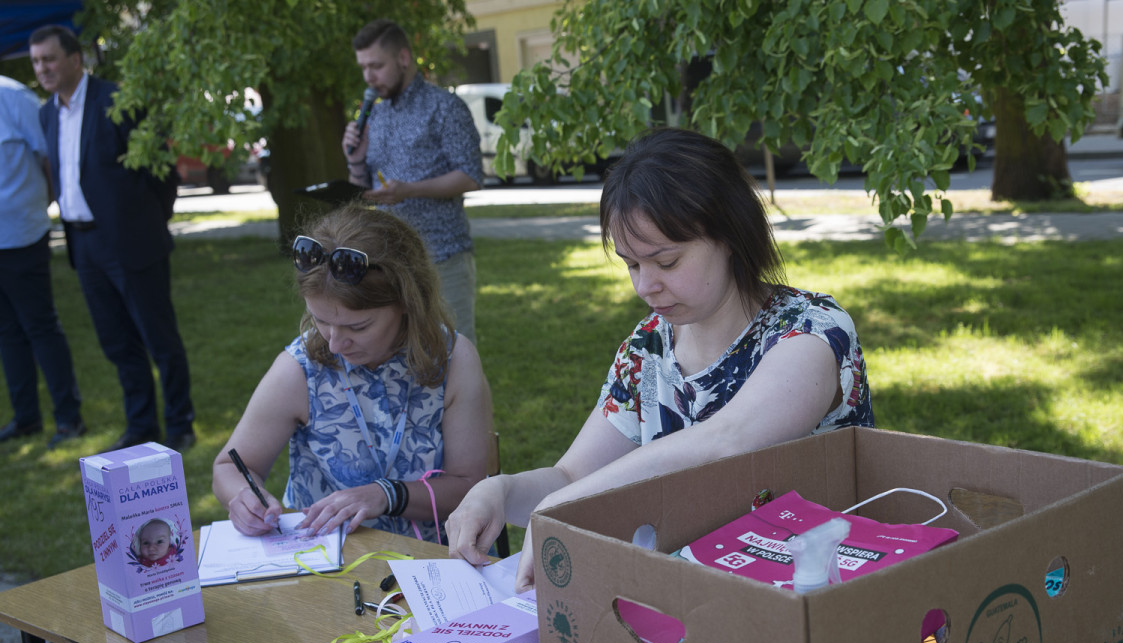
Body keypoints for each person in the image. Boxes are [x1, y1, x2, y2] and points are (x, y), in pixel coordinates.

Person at [447, 127, 875, 591]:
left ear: (730, 236)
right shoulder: (647, 348)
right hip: (690, 606)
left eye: (666, 262)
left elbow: (726, 442)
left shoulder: (811, 332)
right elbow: (573, 476)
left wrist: (562, 503)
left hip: (818, 605)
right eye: (631, 263)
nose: (644, 286)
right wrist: (501, 491)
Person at [211, 204, 492, 547]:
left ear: (408, 301)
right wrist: (243, 498)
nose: (335, 343)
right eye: (321, 320)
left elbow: (472, 486)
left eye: (358, 327)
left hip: (438, 559)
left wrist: (387, 495)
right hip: (331, 564)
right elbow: (230, 466)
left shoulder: (452, 360)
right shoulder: (301, 368)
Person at [29, 25, 196, 452]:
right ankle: (141, 424)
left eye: (48, 59)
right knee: (118, 342)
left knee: (160, 338)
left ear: (75, 59)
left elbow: (160, 171)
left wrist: (149, 224)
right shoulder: (47, 112)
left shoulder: (117, 100)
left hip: (133, 240)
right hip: (83, 245)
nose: (41, 68)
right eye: (35, 61)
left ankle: (180, 423)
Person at [342, 19, 485, 344]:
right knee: (400, 360)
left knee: (454, 354)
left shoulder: (445, 107)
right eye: (363, 67)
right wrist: (355, 159)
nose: (368, 76)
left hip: (443, 257)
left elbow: (471, 176)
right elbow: (362, 190)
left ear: (403, 58)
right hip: (388, 264)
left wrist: (409, 191)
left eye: (376, 65)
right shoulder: (375, 116)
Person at [0, 73, 86, 449]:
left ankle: (68, 419)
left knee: (39, 326)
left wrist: (43, 204)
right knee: (6, 331)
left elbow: (49, 155)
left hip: (21, 233)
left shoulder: (11, 95)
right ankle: (26, 418)